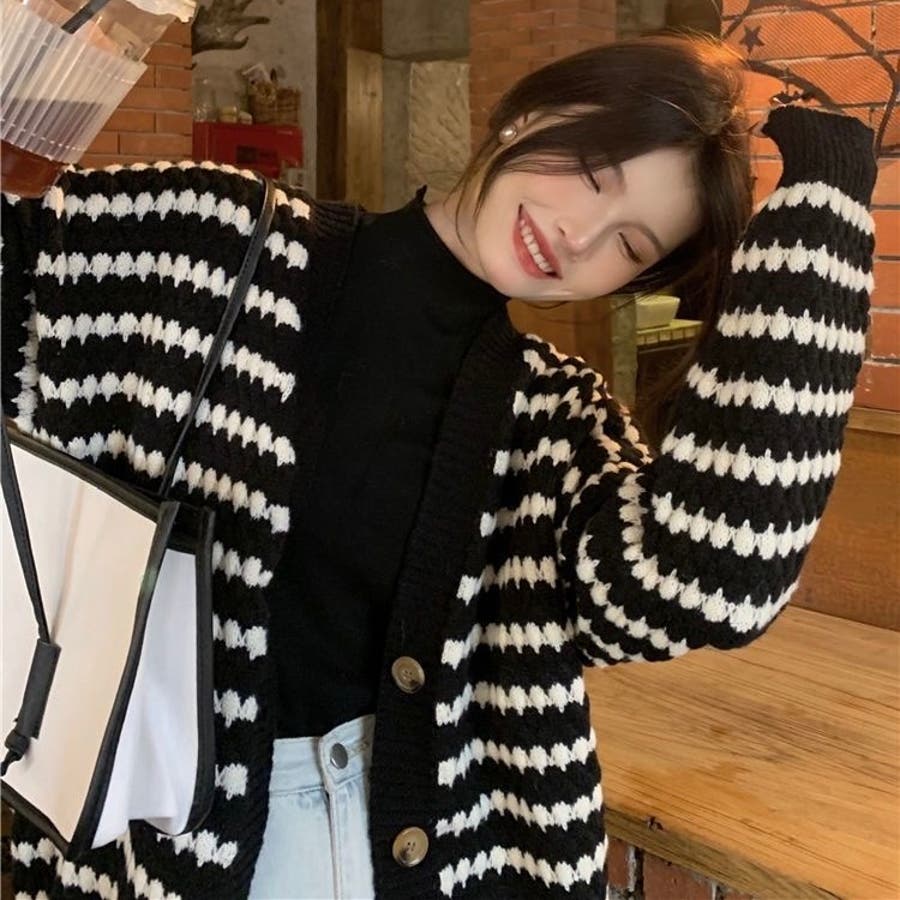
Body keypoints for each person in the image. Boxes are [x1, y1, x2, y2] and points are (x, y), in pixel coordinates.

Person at [1, 32, 876, 900]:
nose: (579, 236)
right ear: (531, 112)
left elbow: (709, 584)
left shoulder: (554, 422)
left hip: (432, 846)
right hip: (155, 826)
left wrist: (825, 200)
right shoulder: (211, 239)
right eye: (593, 173)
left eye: (630, 246)